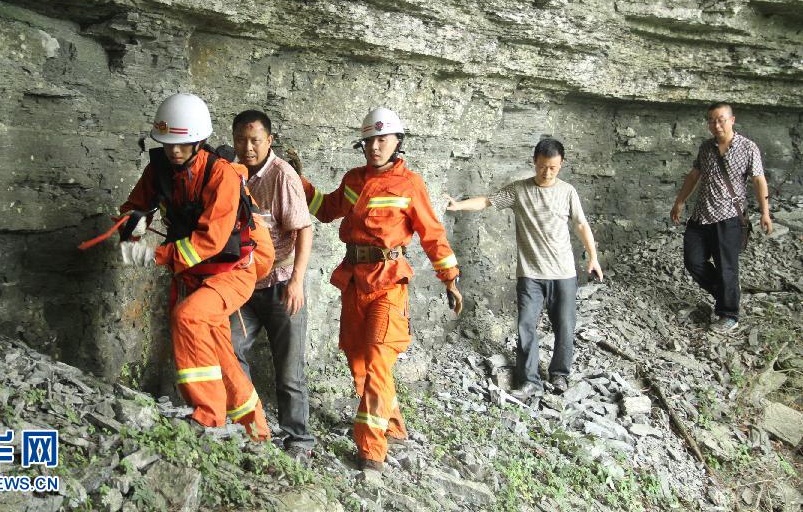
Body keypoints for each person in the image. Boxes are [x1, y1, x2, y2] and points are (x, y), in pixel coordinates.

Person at [297, 107, 463, 473]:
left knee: (376, 359)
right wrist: (300, 182)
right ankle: (392, 423)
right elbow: (326, 210)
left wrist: (449, 278)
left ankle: (372, 451)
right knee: (357, 357)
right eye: (369, 140)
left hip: (388, 282)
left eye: (382, 139)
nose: (375, 146)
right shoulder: (354, 179)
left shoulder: (410, 184)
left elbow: (432, 234)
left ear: (397, 142)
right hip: (354, 280)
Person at [118, 93, 274, 440]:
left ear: (199, 140)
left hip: (233, 272)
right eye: (169, 143)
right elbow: (134, 205)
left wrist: (154, 255)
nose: (174, 151)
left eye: (183, 144)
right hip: (198, 275)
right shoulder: (159, 170)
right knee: (221, 352)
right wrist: (132, 223)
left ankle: (208, 415)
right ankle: (257, 432)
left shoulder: (222, 176)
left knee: (188, 316)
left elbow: (211, 241)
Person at [446, 138, 601, 401]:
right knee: (526, 327)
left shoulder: (568, 192)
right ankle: (530, 381)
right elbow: (487, 201)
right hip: (530, 275)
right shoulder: (519, 190)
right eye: (542, 166)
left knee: (564, 326)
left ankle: (559, 374)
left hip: (563, 274)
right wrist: (457, 205)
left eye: (553, 167)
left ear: (561, 164)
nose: (547, 172)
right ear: (534, 162)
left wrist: (593, 258)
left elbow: (582, 225)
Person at [229, 109, 316, 460]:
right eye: (241, 140)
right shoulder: (232, 174)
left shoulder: (282, 176)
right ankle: (252, 427)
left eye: (255, 140)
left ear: (269, 141)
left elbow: (304, 229)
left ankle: (299, 441)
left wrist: (297, 281)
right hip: (245, 286)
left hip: (281, 286)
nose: (247, 147)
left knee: (289, 371)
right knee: (231, 350)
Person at [670, 102, 772, 333]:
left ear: (732, 120)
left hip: (728, 218)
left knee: (727, 268)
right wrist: (680, 201)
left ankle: (729, 314)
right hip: (701, 216)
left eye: (721, 119)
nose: (716, 124)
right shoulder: (706, 148)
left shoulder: (748, 148)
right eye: (711, 120)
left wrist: (765, 212)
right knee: (693, 261)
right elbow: (695, 174)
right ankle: (728, 294)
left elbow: (758, 180)